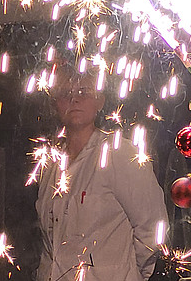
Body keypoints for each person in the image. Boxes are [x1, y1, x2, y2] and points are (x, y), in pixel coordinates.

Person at [35, 68, 168, 281]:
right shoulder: (50, 164)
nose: (74, 100)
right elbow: (49, 244)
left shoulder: (119, 153)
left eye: (84, 92)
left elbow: (152, 226)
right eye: (66, 93)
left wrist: (130, 273)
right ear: (55, 103)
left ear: (100, 101)